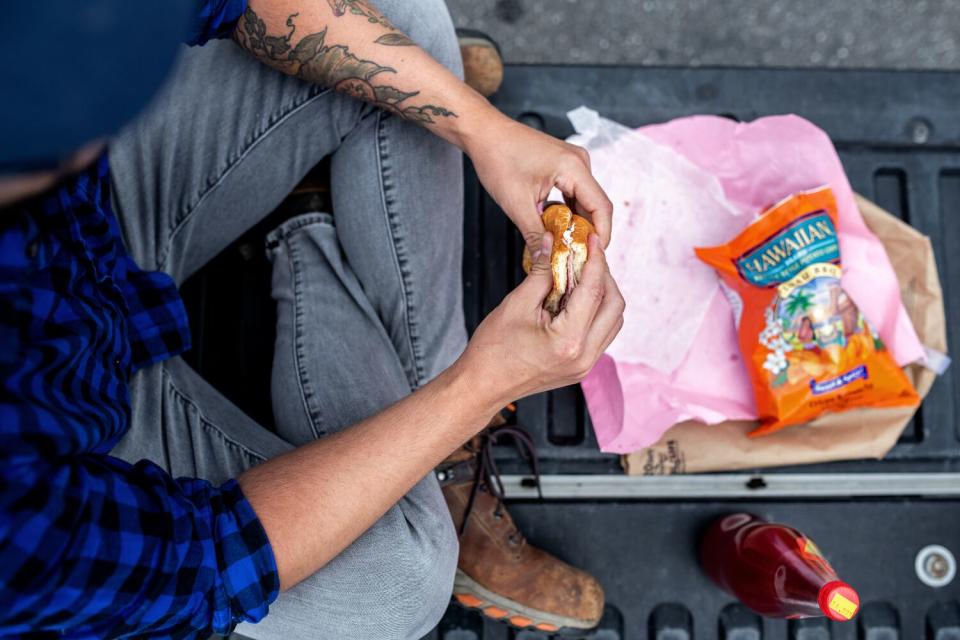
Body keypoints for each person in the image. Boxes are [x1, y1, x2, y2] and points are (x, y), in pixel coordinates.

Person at [0, 1, 624, 638]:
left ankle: (426, 425)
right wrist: (482, 386)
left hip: (99, 227)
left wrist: (484, 131)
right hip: (98, 453)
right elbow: (211, 560)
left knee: (402, 18)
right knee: (399, 583)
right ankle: (320, 242)